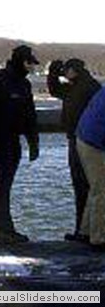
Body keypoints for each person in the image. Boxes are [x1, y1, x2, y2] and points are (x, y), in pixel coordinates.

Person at [0, 44, 40, 243]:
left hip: (13, 140)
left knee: (3, 185)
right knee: (1, 184)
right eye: (31, 64)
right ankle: (0, 228)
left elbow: (30, 116)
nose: (33, 68)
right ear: (23, 61)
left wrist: (33, 143)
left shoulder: (24, 84)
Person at [48, 58, 100, 241]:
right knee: (87, 186)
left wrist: (54, 73)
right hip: (84, 139)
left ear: (73, 71)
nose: (64, 74)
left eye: (65, 70)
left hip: (83, 140)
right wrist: (53, 74)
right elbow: (55, 90)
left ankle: (85, 230)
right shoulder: (85, 85)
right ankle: (85, 230)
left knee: (83, 186)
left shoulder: (83, 87)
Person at [75, 85, 105, 249]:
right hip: (93, 142)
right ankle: (98, 237)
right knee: (101, 190)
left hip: (85, 137)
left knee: (96, 188)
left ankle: (86, 231)